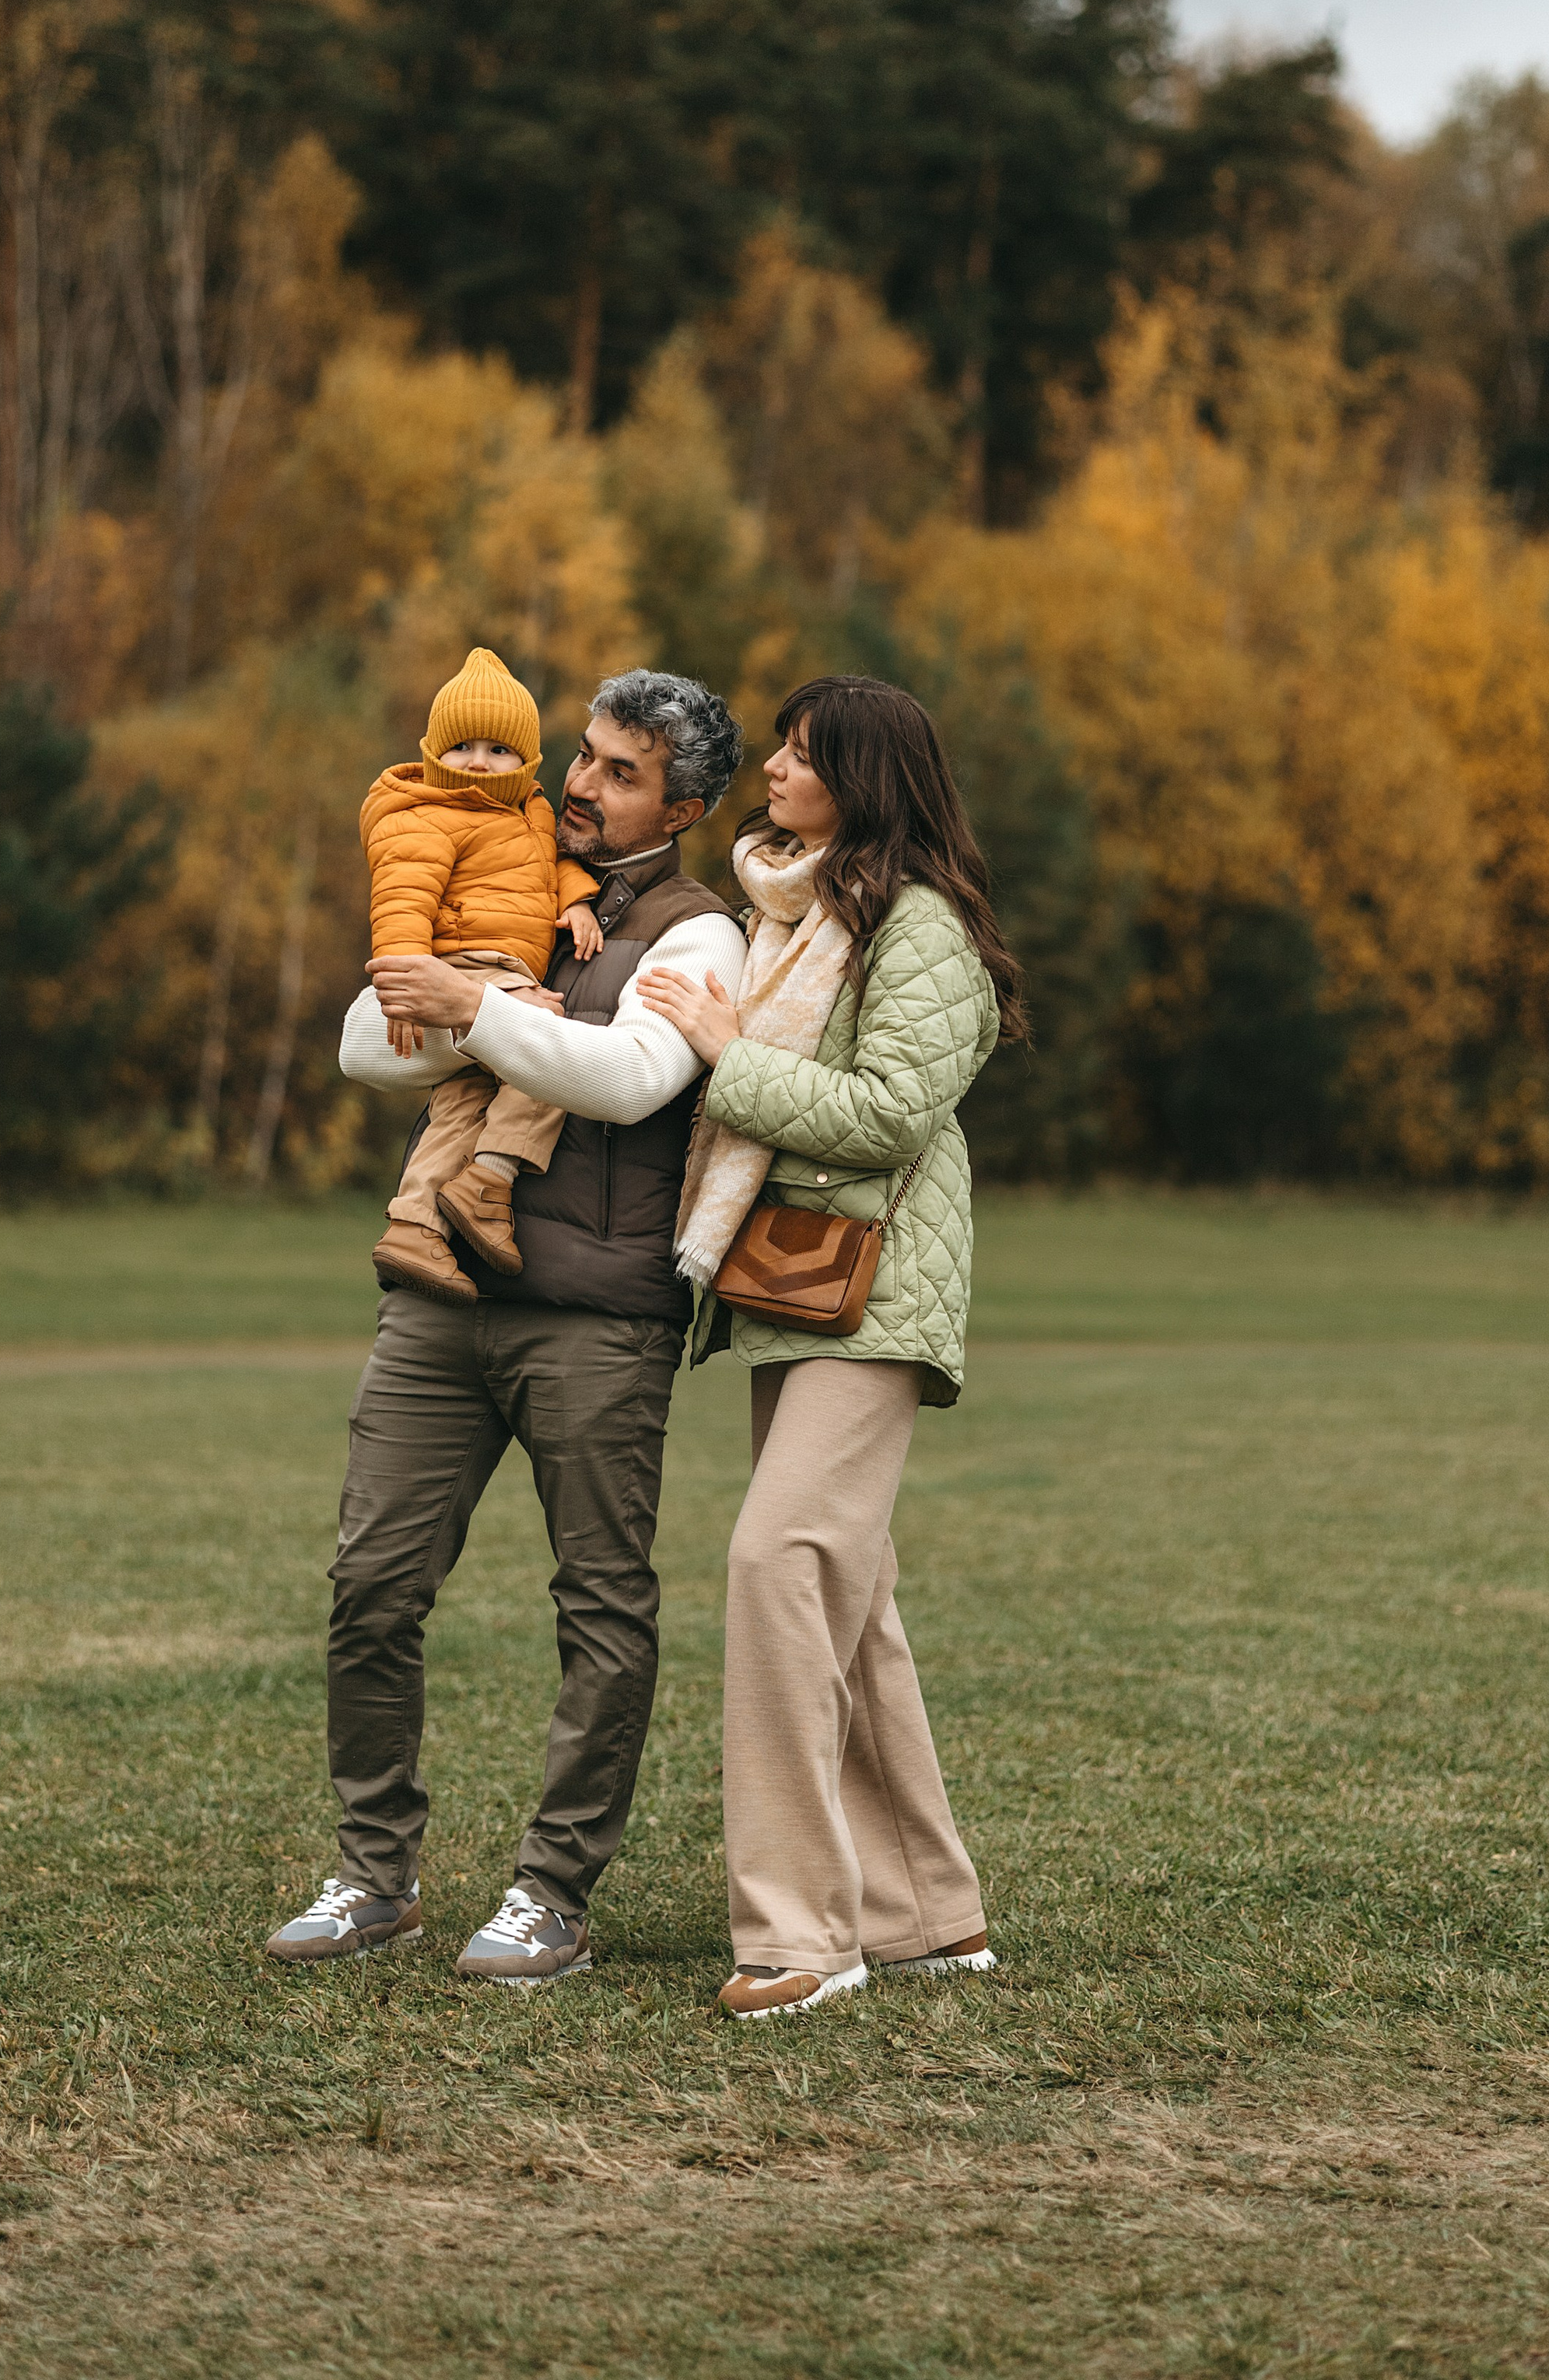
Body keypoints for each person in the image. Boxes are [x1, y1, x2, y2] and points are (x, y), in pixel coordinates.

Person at [264, 669, 746, 1986]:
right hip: (439, 1299)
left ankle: (554, 1896)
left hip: (594, 1319)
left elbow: (631, 1076)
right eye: (583, 757)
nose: (581, 785)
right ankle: (375, 1876)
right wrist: (480, 996)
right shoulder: (508, 865)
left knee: (599, 1604)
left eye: (621, 772)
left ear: (686, 806)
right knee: (371, 1587)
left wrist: (476, 1008)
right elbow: (371, 1040)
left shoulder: (703, 937)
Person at [636, 674, 1028, 2021]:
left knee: (775, 1560)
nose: (778, 774)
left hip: (878, 1292)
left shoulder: (919, 928)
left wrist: (728, 1058)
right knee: (849, 1606)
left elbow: (888, 1112)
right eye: (784, 753)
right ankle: (924, 1913)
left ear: (870, 782)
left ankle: (807, 1935)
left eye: (806, 757)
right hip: (799, 1291)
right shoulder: (798, 913)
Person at [359, 645, 603, 1300]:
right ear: (435, 751)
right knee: (547, 1039)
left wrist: (576, 897)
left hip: (505, 965)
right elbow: (403, 899)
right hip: (467, 961)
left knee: (464, 1100)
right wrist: (405, 986)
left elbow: (547, 862)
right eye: (463, 746)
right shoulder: (426, 814)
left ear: (527, 761)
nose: (478, 762)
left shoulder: (533, 808)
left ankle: (413, 1226)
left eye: (499, 750)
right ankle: (490, 1179)